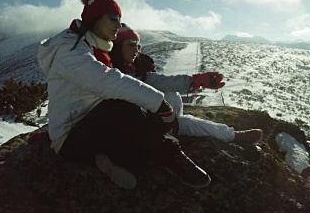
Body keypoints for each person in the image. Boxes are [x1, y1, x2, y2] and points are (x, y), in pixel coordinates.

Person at [37, 0, 215, 190]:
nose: (118, 25)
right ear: (95, 18)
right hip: (70, 138)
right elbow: (105, 81)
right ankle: (171, 157)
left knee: (135, 120)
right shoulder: (70, 49)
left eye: (119, 19)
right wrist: (160, 104)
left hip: (90, 128)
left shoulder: (91, 47)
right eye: (113, 18)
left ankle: (105, 159)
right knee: (121, 106)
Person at [109, 25, 263, 144]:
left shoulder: (138, 71)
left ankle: (230, 135)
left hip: (162, 119)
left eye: (139, 45)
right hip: (139, 125)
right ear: (118, 45)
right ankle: (233, 136)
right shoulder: (110, 74)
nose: (137, 49)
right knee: (187, 122)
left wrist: (195, 81)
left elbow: (162, 81)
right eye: (132, 43)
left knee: (171, 95)